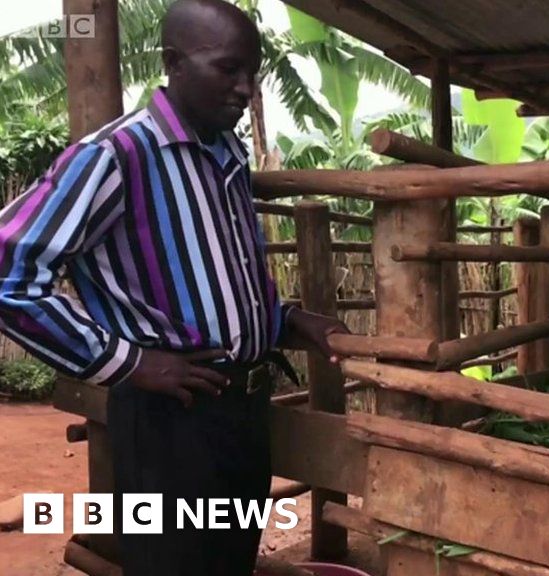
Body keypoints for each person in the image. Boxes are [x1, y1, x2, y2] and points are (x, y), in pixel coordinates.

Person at [0, 1, 350, 574]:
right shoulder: (114, 156)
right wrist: (129, 362)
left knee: (229, 561)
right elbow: (8, 276)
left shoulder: (224, 153)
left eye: (252, 73)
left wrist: (284, 319)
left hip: (242, 410)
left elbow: (215, 272)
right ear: (174, 63)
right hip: (171, 420)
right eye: (228, 69)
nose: (245, 89)